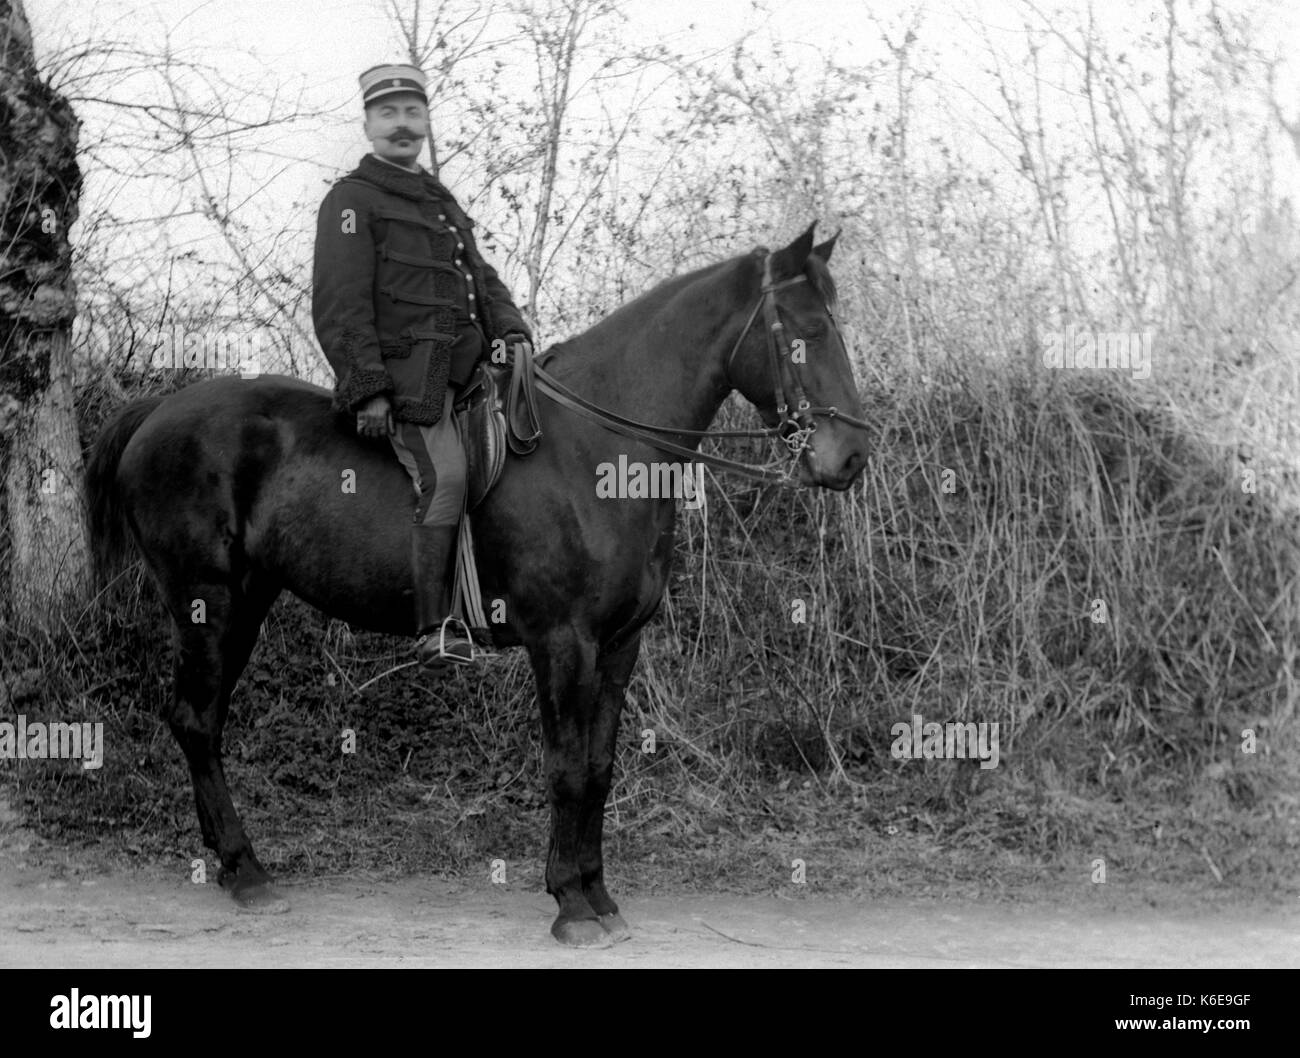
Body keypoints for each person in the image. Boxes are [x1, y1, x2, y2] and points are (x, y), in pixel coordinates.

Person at [312, 63, 532, 666]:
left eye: (412, 112)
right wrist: (369, 389)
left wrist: (511, 332)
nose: (402, 124)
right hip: (410, 382)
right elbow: (340, 304)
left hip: (472, 372)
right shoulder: (351, 201)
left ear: (427, 121)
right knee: (449, 477)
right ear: (367, 123)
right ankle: (434, 628)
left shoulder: (439, 201)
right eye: (389, 114)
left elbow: (481, 281)